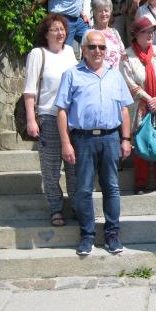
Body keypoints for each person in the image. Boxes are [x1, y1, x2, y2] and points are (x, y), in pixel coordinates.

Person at [54, 30, 134, 256]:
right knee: (83, 189)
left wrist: (126, 139)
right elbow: (62, 111)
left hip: (110, 138)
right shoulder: (71, 74)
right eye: (92, 47)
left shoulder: (115, 75)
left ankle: (112, 234)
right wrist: (66, 143)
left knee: (112, 187)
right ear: (84, 50)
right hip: (82, 139)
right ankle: (87, 235)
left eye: (101, 47)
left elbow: (124, 110)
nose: (98, 51)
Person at [22, 14, 79, 227]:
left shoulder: (70, 52)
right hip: (48, 116)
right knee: (51, 168)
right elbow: (29, 91)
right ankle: (56, 208)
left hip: (72, 118)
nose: (60, 32)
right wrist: (31, 119)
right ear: (46, 34)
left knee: (75, 167)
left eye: (62, 29)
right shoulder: (38, 54)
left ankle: (76, 206)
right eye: (54, 29)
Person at [120, 16, 156, 195]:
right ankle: (140, 182)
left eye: (152, 31)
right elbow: (128, 83)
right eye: (145, 32)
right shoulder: (127, 55)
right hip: (140, 107)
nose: (150, 34)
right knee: (141, 142)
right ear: (136, 34)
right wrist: (148, 98)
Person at [90, 0, 127, 70]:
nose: (104, 14)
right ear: (94, 13)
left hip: (117, 73)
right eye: (100, 11)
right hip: (100, 73)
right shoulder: (90, 33)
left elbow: (123, 54)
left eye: (106, 11)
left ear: (110, 12)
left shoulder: (114, 32)